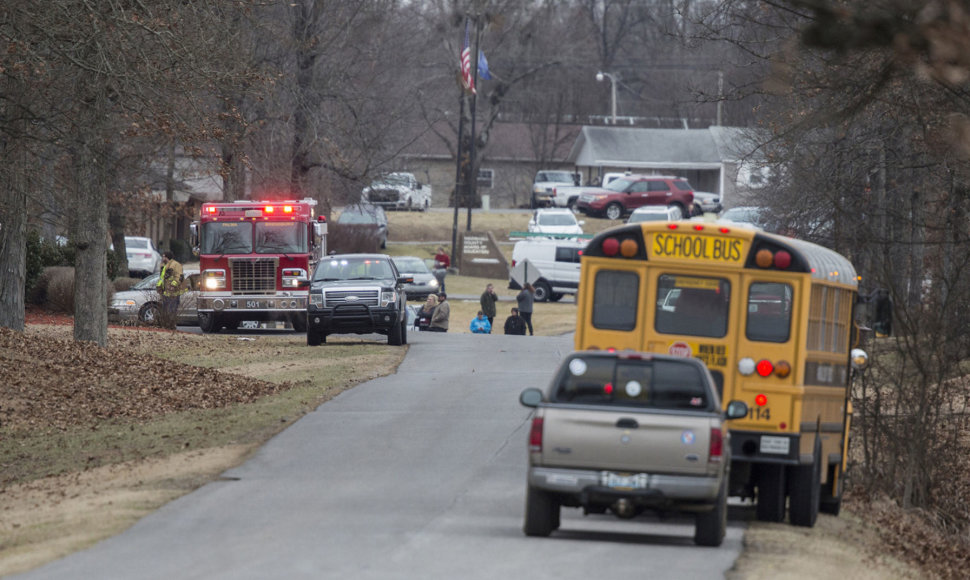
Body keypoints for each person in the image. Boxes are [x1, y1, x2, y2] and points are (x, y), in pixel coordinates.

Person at [156, 250, 184, 329]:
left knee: (172, 310)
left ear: (167, 257)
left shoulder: (176, 265)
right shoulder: (164, 266)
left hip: (173, 293)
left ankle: (171, 326)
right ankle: (167, 325)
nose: (162, 258)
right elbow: (162, 278)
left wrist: (173, 286)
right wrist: (159, 287)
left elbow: (179, 277)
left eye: (163, 256)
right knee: (165, 311)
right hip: (166, 292)